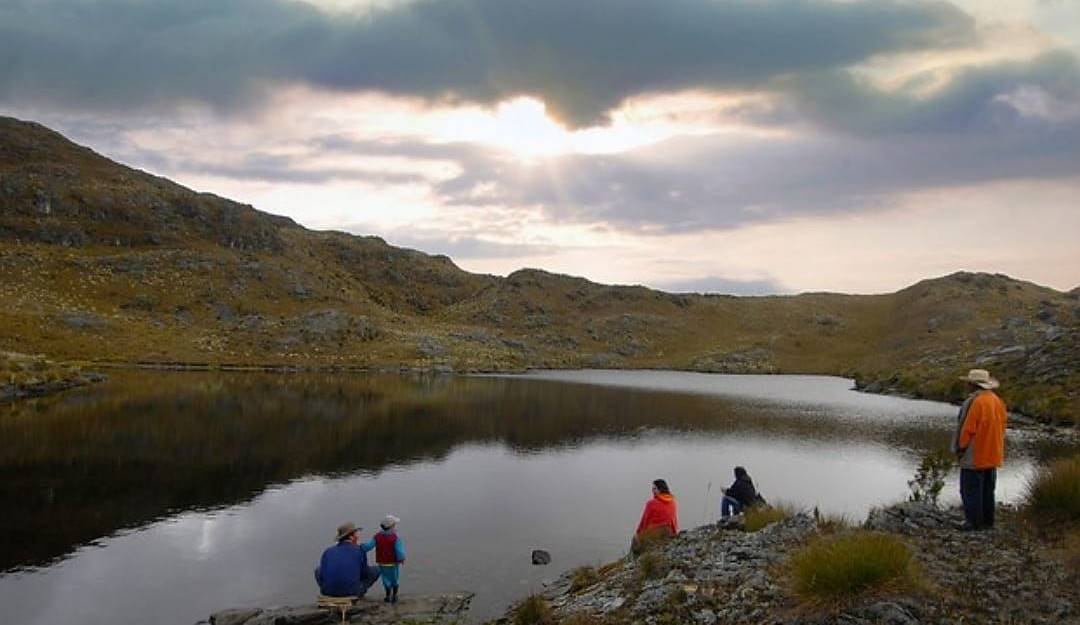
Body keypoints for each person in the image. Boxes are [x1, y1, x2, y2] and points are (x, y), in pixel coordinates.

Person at [950, 369, 1008, 531]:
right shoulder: (997, 401)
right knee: (988, 490)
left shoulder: (974, 402)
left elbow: (966, 429)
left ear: (972, 385)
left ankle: (973, 523)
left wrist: (960, 449)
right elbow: (1003, 427)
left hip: (975, 456)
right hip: (993, 453)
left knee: (970, 490)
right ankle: (988, 522)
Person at [314, 522, 381, 597]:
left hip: (327, 591)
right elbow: (364, 574)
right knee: (376, 570)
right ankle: (358, 593)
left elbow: (322, 574)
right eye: (356, 533)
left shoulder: (328, 551)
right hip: (351, 592)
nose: (358, 536)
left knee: (318, 570)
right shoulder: (359, 551)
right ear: (351, 537)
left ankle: (331, 589)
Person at [373, 515, 406, 603]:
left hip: (382, 563)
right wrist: (402, 559)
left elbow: (369, 545)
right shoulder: (395, 538)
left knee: (385, 580)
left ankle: (387, 596)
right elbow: (399, 551)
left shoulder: (377, 536)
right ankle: (395, 596)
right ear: (392, 526)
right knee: (395, 579)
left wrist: (362, 548)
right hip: (393, 563)